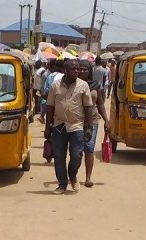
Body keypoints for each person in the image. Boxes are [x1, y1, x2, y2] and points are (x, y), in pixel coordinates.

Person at [44, 59, 93, 194]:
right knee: (59, 157)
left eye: (78, 68)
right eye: (74, 69)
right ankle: (62, 184)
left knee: (76, 155)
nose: (77, 71)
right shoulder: (55, 86)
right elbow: (50, 107)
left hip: (76, 126)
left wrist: (88, 128)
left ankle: (72, 175)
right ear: (65, 70)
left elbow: (88, 108)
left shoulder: (83, 86)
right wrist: (48, 127)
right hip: (58, 125)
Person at [78, 60, 110, 187]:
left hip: (93, 121)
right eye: (79, 69)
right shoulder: (74, 84)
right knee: (76, 149)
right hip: (77, 120)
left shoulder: (95, 85)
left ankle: (88, 178)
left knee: (89, 148)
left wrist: (106, 120)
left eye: (84, 69)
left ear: (89, 71)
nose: (81, 71)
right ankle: (73, 175)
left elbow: (100, 104)